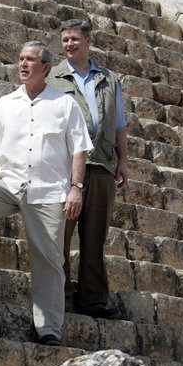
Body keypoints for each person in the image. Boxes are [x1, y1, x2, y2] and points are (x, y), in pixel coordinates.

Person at [0, 41, 93, 346]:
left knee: (49, 259)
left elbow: (79, 150)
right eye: (20, 59)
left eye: (30, 60)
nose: (23, 65)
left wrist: (76, 188)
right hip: (9, 182)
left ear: (45, 68)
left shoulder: (65, 104)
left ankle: (49, 330)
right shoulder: (6, 103)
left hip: (48, 189)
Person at [47, 18, 128, 319]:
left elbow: (119, 123)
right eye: (65, 39)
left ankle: (93, 300)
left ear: (88, 41)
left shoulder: (109, 79)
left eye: (74, 39)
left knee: (95, 237)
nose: (69, 44)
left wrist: (124, 160)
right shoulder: (52, 77)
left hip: (104, 164)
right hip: (65, 167)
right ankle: (62, 297)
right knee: (60, 235)